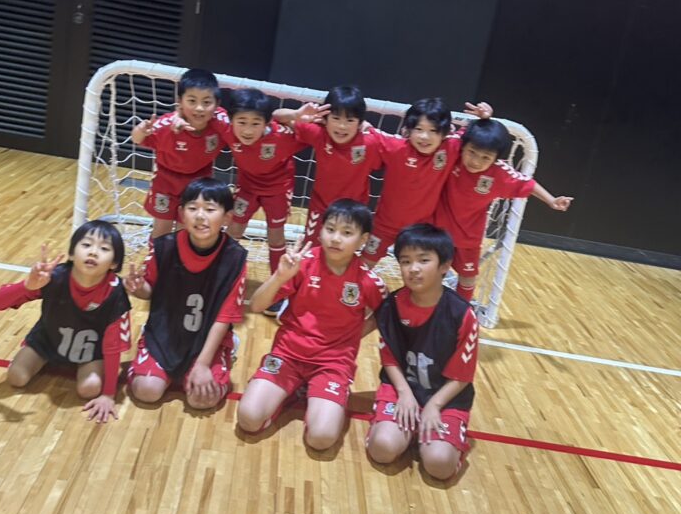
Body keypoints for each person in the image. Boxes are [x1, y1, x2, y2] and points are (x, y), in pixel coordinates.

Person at [238, 199, 387, 451]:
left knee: (321, 438)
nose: (335, 238)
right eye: (330, 229)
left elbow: (384, 315)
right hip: (287, 355)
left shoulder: (369, 281)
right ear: (320, 231)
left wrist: (352, 338)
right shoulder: (302, 264)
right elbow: (256, 306)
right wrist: (280, 277)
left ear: (363, 240)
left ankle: (319, 394)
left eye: (347, 233)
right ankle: (292, 392)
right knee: (248, 419)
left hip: (332, 365)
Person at [0, 220, 131, 423]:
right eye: (86, 244)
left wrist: (108, 395)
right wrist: (28, 285)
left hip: (90, 349)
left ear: (114, 263)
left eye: (104, 248)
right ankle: (39, 357)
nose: (93, 252)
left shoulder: (115, 292)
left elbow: (113, 346)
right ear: (72, 254)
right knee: (16, 378)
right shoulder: (52, 277)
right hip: (47, 340)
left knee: (89, 389)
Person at [367, 224, 478, 480]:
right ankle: (397, 430)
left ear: (444, 266)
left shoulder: (462, 314)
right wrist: (404, 393)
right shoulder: (392, 305)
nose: (413, 268)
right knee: (383, 449)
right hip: (401, 389)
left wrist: (434, 406)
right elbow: (389, 357)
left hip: (446, 398)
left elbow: (462, 376)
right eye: (406, 261)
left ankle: (439, 442)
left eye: (423, 260)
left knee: (439, 465)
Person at [125, 178, 247, 409]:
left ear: (227, 217)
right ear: (181, 214)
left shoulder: (235, 258)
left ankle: (226, 350)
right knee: (146, 391)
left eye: (210, 209)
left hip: (207, 339)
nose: (200, 216)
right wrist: (138, 288)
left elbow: (224, 317)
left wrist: (203, 364)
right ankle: (148, 343)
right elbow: (149, 291)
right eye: (192, 208)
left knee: (202, 400)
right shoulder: (163, 246)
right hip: (166, 335)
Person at [435, 118, 573, 302]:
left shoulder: (499, 174)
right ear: (464, 147)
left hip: (469, 237)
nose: (476, 161)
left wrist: (551, 200)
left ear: (496, 158)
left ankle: (461, 311)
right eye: (472, 152)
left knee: (468, 276)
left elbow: (527, 183)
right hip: (438, 231)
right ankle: (428, 307)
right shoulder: (453, 156)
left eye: (485, 157)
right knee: (434, 271)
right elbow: (456, 137)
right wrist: (482, 117)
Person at [363, 98, 492, 265]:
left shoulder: (450, 148)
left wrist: (484, 118)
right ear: (408, 130)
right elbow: (371, 132)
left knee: (422, 272)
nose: (425, 136)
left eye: (433, 130)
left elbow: (469, 132)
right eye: (419, 129)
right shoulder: (396, 147)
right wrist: (360, 124)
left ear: (445, 133)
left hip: (422, 231)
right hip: (384, 226)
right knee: (365, 264)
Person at [210, 88, 316, 275]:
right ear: (231, 120)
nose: (248, 130)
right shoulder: (225, 126)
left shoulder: (282, 136)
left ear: (266, 123)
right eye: (242, 122)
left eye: (255, 123)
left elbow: (318, 133)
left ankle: (279, 282)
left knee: (275, 236)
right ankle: (220, 274)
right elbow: (201, 109)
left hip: (278, 190)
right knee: (234, 229)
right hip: (247, 187)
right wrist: (179, 116)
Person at [131, 68, 224, 238]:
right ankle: (156, 255)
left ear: (217, 104)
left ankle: (179, 255)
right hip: (165, 183)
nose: (199, 108)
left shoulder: (221, 123)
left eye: (206, 102)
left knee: (185, 229)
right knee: (162, 228)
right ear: (180, 101)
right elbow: (137, 139)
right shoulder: (166, 126)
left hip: (197, 184)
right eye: (192, 101)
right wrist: (141, 130)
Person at [290, 85, 384, 244]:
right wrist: (297, 114)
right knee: (311, 248)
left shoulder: (371, 143)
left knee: (343, 252)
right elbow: (276, 117)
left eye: (350, 120)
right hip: (320, 207)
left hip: (353, 211)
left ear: (360, 123)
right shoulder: (319, 134)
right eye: (336, 118)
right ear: (325, 118)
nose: (342, 126)